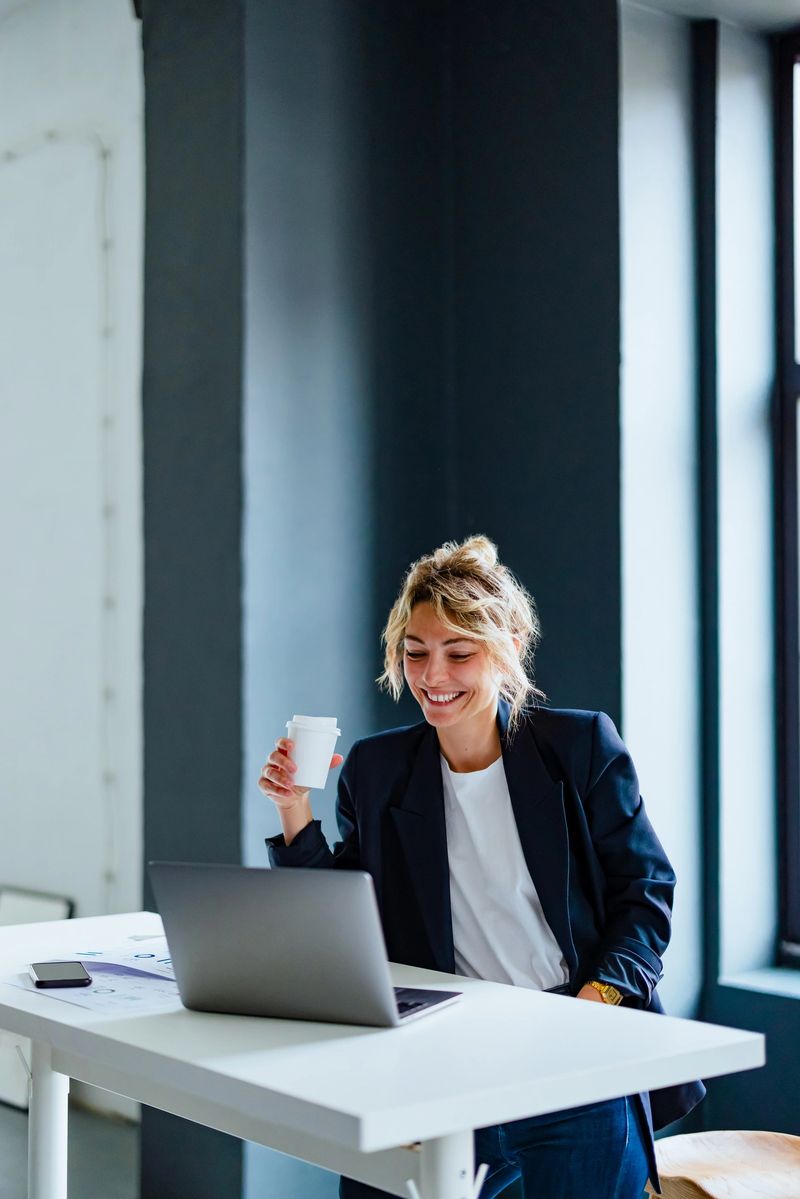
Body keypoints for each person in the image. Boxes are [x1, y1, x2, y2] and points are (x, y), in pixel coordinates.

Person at [258, 535, 704, 1199]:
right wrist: (295, 810)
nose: (433, 676)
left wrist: (595, 1003)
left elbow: (645, 894)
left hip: (571, 1048)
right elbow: (343, 931)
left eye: (458, 652)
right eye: (415, 653)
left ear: (509, 648)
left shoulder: (578, 748)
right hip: (439, 1058)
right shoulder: (380, 771)